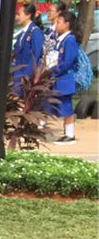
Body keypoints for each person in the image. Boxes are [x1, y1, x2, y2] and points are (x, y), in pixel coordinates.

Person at [47, 9, 80, 144]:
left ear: (67, 24)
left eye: (59, 22)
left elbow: (68, 61)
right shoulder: (60, 40)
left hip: (64, 79)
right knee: (52, 104)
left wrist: (54, 71)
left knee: (66, 107)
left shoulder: (70, 40)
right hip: (58, 78)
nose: (56, 25)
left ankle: (70, 135)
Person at [12, 2, 43, 97]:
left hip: (25, 75)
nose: (17, 17)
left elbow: (35, 55)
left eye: (19, 14)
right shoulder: (22, 33)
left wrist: (27, 75)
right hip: (17, 74)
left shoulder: (35, 32)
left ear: (28, 15)